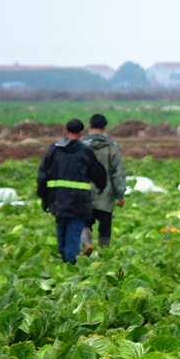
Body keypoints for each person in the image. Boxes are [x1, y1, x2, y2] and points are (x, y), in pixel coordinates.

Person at [37, 119, 107, 264]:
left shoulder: (53, 149)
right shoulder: (85, 151)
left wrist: (44, 197)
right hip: (78, 202)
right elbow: (99, 173)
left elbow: (42, 175)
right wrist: (101, 186)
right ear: (81, 134)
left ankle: (66, 262)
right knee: (73, 236)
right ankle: (71, 266)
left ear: (65, 131)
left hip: (58, 200)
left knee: (61, 231)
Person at [80, 113, 127, 253]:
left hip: (84, 193)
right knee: (105, 228)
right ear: (105, 127)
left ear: (89, 126)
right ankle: (104, 255)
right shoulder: (112, 147)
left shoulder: (79, 146)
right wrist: (120, 194)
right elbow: (117, 172)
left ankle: (87, 243)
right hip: (105, 195)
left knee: (84, 223)